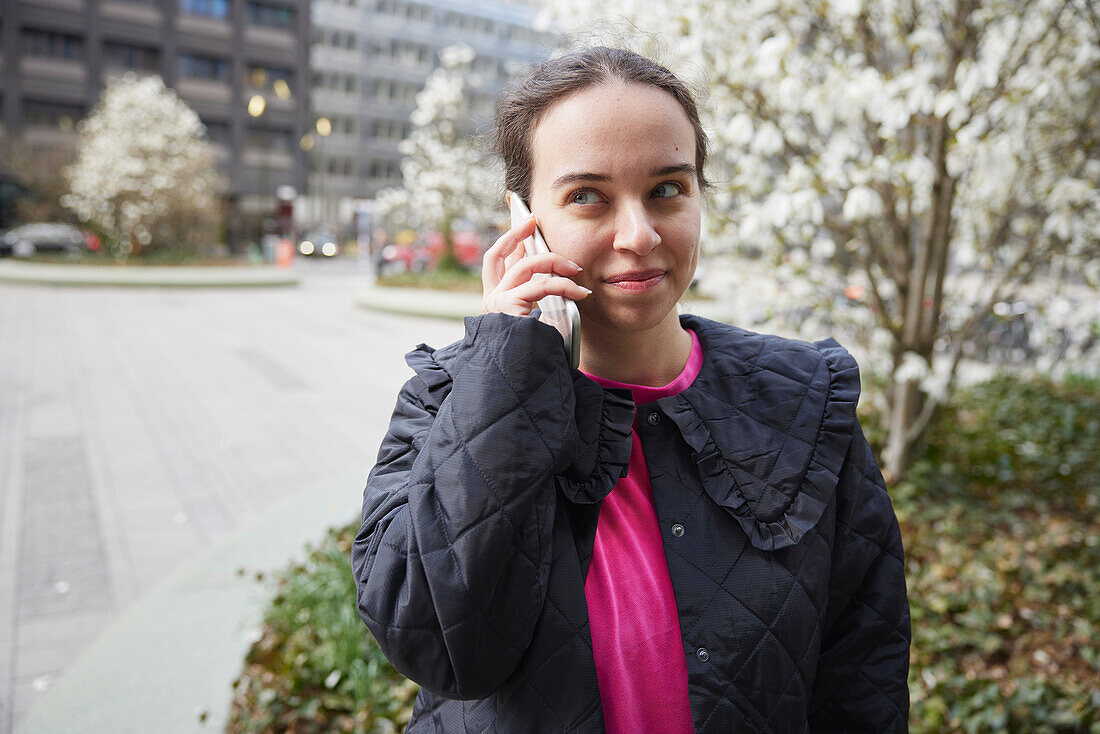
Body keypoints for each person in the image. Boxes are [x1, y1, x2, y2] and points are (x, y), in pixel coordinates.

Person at [352, 47, 910, 733]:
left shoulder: (805, 402)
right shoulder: (446, 401)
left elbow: (864, 681)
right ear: (523, 217)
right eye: (587, 196)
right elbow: (437, 647)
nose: (638, 235)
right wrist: (504, 371)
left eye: (666, 189)